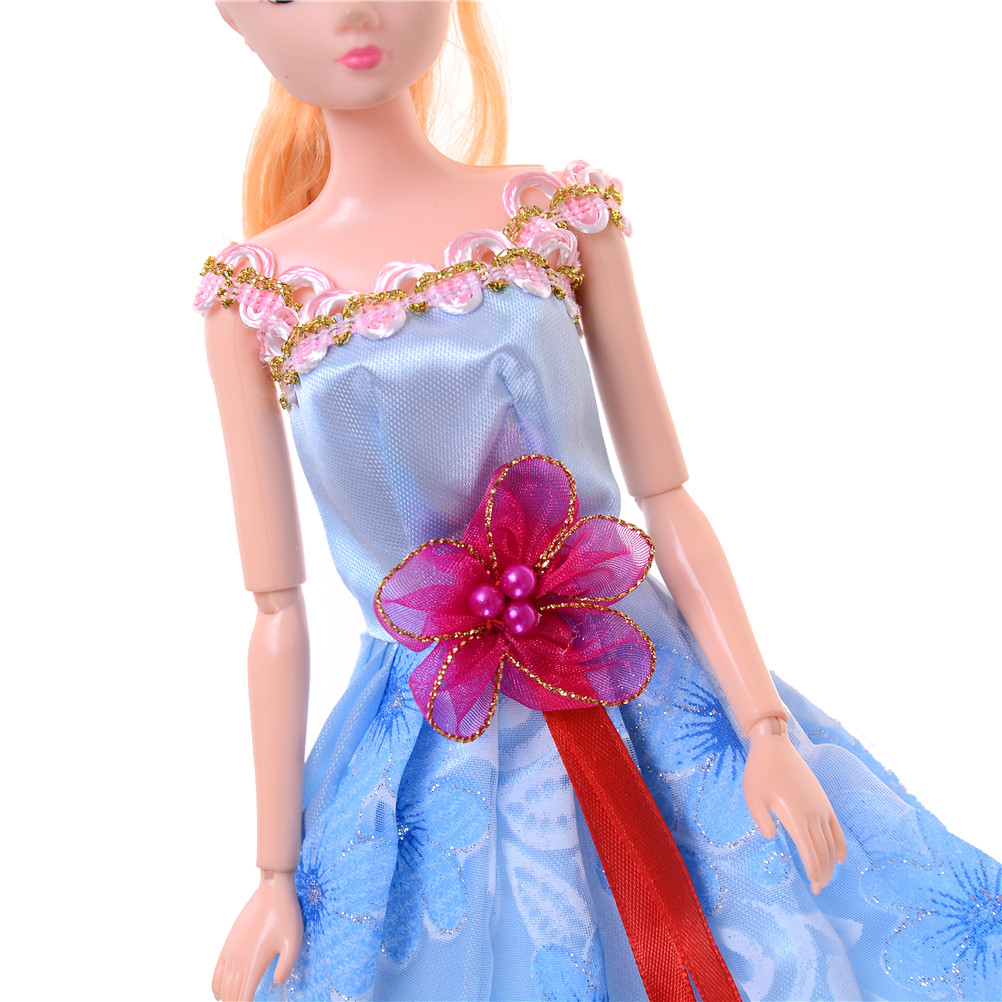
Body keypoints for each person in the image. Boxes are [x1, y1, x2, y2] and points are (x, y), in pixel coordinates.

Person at [197, 3, 1001, 1000]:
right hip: (428, 733)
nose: (351, 10)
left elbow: (666, 492)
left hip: (634, 673)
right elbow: (275, 608)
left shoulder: (551, 217)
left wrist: (762, 729)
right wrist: (273, 873)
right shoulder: (258, 300)